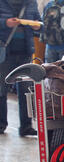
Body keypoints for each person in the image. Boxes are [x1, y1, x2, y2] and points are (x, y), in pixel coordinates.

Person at [0, 0, 41, 136]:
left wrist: (37, 26)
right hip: (5, 51)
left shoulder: (31, 3)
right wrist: (5, 23)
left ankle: (26, 126)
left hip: (25, 52)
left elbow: (40, 23)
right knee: (1, 89)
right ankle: (1, 124)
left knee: (26, 90)